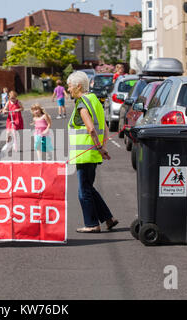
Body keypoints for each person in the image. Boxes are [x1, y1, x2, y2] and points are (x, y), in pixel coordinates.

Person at [67, 71, 119, 233]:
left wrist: (98, 147)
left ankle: (92, 224)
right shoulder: (94, 100)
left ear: (78, 86)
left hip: (86, 154)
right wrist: (102, 148)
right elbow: (103, 125)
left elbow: (91, 128)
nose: (68, 89)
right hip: (92, 153)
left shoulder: (82, 103)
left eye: (69, 86)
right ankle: (108, 219)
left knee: (84, 192)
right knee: (89, 187)